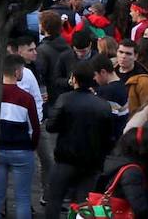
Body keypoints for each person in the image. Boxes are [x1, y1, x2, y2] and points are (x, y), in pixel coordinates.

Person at [43, 60, 117, 219]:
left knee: (54, 199)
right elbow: (109, 137)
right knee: (84, 205)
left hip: (66, 159)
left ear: (74, 79)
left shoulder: (65, 99)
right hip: (92, 163)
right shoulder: (103, 105)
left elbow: (51, 126)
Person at [0, 54, 41, 219]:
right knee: (22, 198)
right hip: (21, 150)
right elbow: (35, 128)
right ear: (17, 71)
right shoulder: (26, 98)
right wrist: (32, 146)